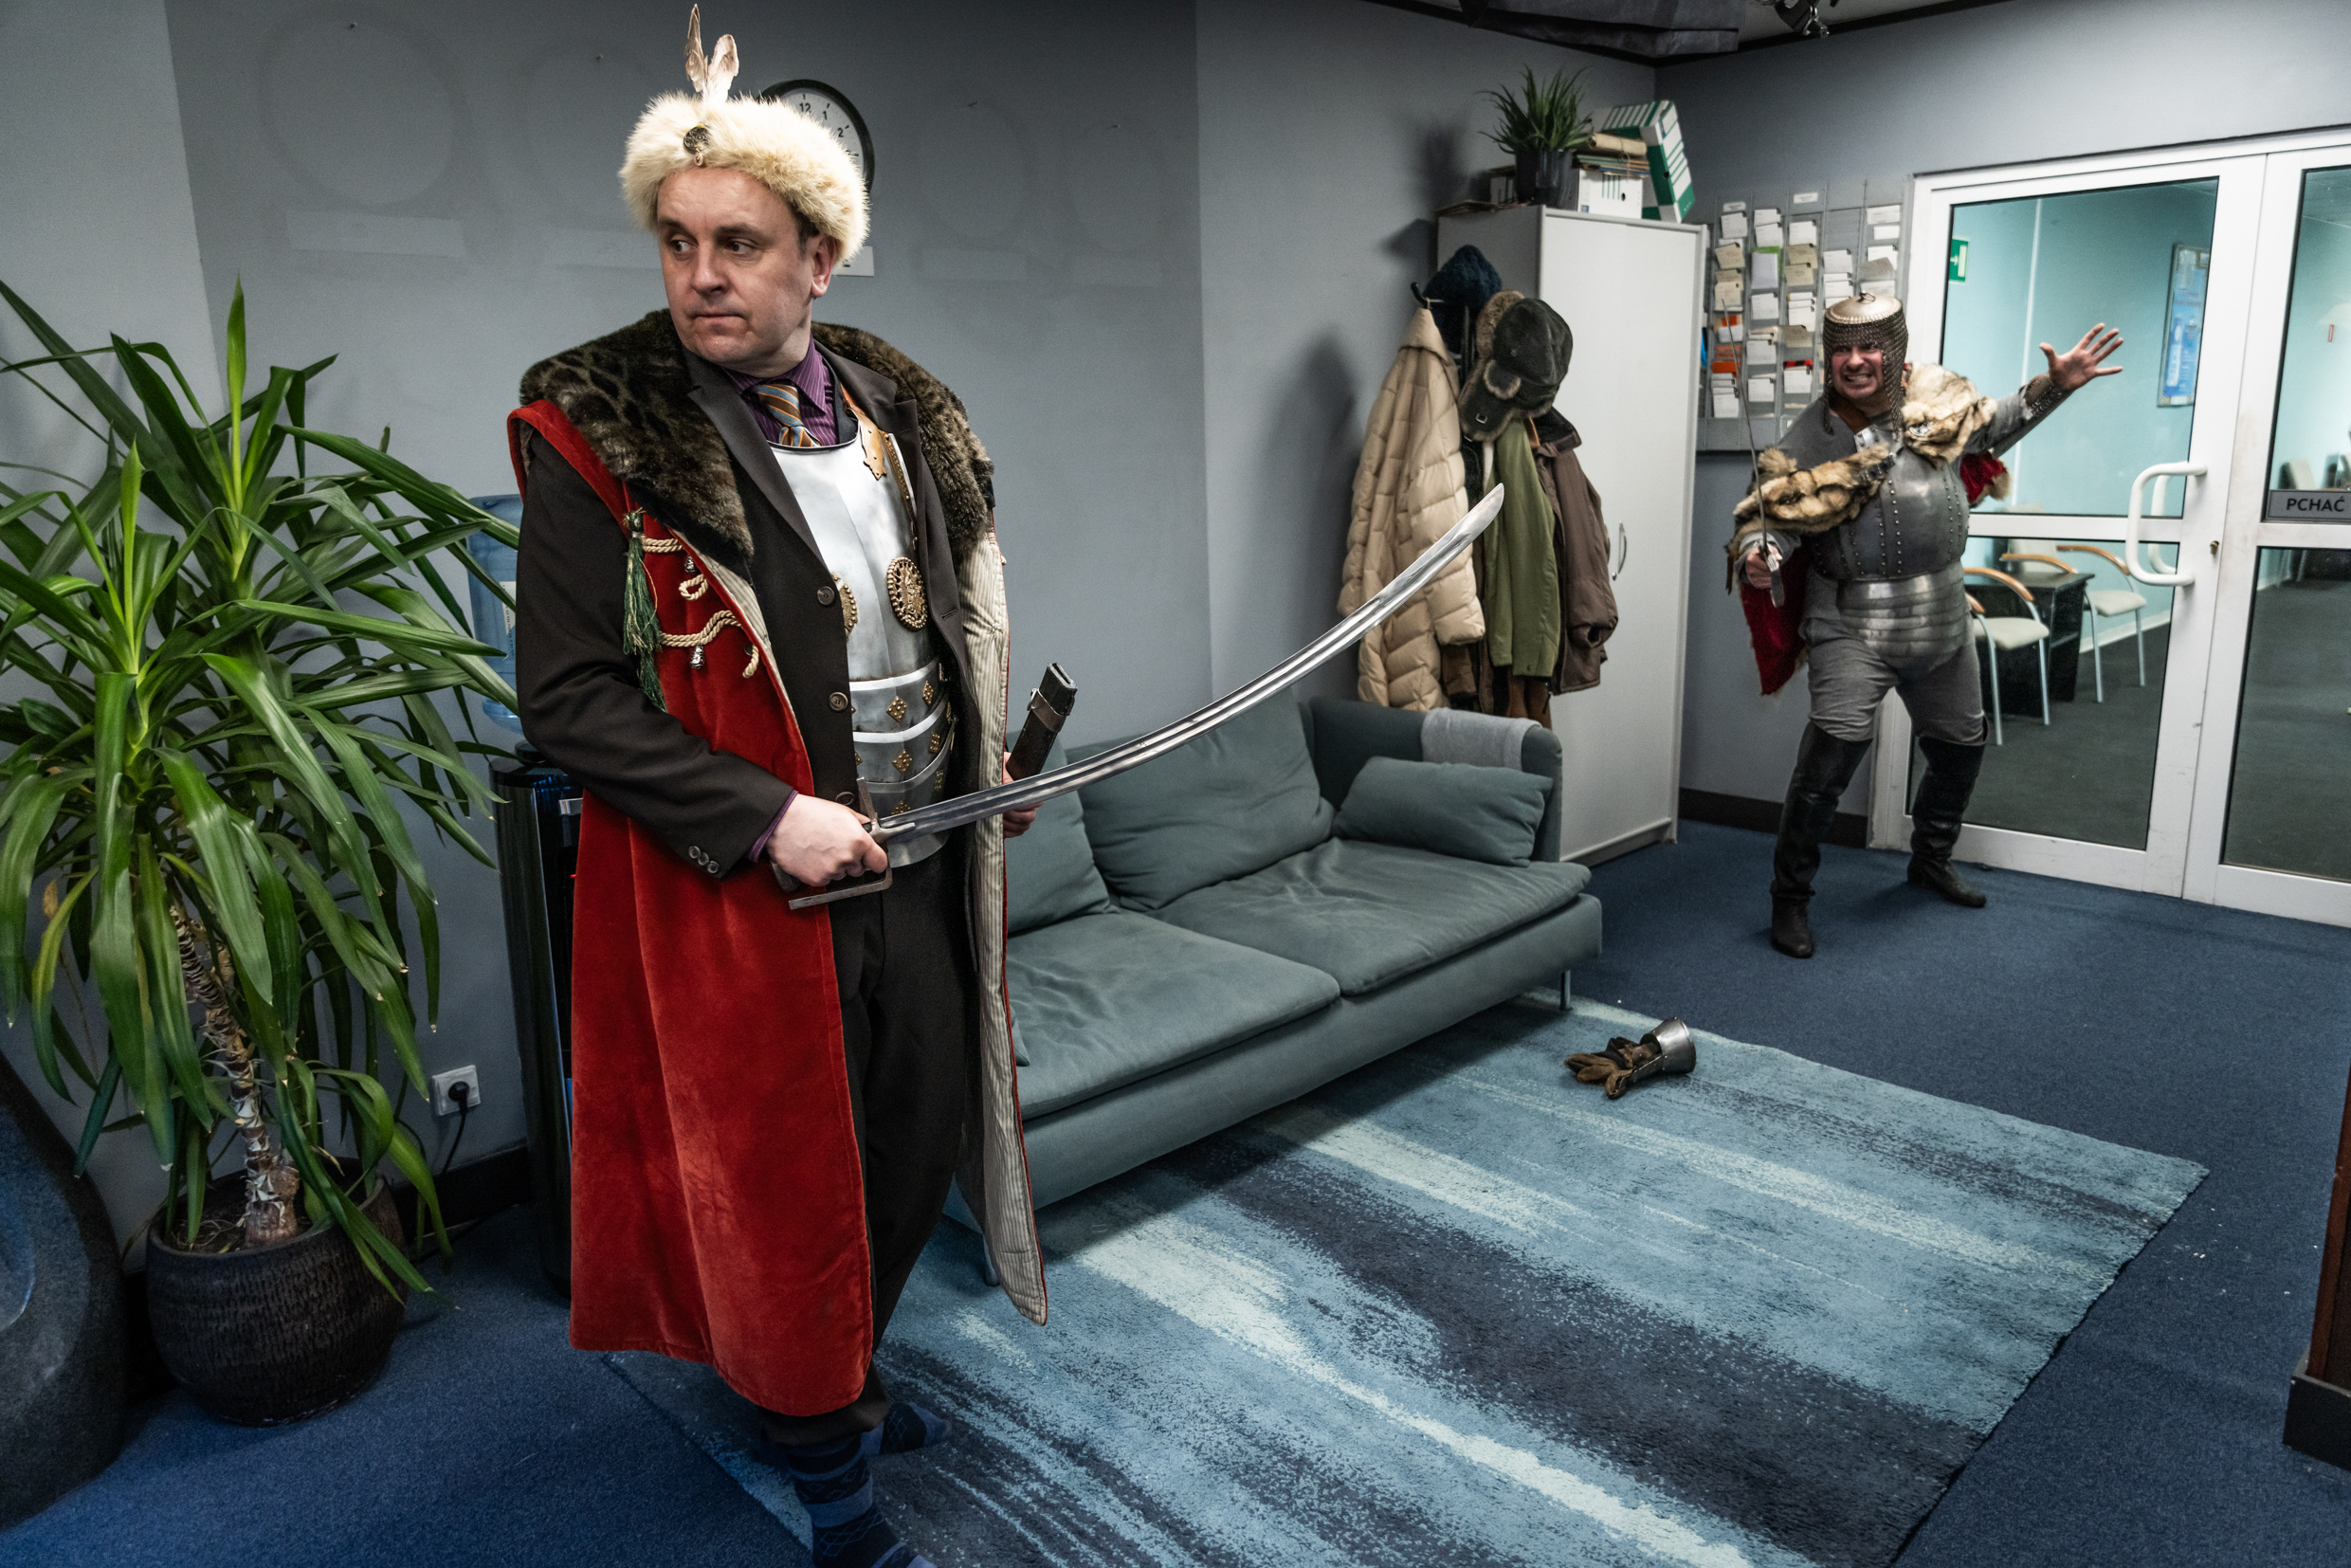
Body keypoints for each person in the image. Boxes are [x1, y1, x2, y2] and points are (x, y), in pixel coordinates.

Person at [508, 13, 1039, 1565]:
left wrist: (987, 765)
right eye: (677, 243)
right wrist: (763, 816)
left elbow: (937, 626)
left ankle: (842, 1374)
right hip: (754, 893)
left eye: (738, 244)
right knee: (788, 1184)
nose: (701, 276)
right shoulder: (598, 430)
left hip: (921, 857)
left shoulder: (901, 414)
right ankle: (831, 1470)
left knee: (915, 1138)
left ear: (821, 257)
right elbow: (566, 699)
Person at [1728, 291, 2121, 959]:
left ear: (1894, 350)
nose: (1856, 361)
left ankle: (1931, 860)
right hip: (1851, 625)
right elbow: (1772, 519)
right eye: (1843, 349)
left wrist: (2056, 385)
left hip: (1941, 613)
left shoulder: (1936, 406)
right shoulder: (1807, 441)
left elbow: (1997, 422)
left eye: (1869, 347)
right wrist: (1759, 555)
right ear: (1829, 358)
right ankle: (1789, 899)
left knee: (1962, 745)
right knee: (1826, 768)